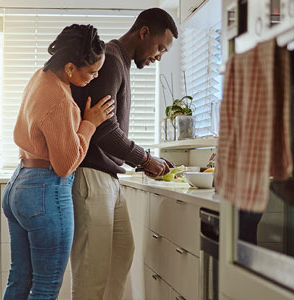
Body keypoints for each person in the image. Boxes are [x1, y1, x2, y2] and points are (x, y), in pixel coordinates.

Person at [69, 8, 179, 300]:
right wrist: (145, 159)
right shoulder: (111, 61)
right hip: (92, 176)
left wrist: (144, 158)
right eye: (160, 48)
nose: (158, 57)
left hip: (107, 178)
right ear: (144, 32)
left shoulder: (120, 62)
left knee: (121, 254)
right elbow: (104, 130)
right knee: (92, 272)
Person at [2, 24, 115, 300]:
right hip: (45, 191)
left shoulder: (40, 77)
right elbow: (65, 165)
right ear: (69, 68)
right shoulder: (61, 101)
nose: (96, 76)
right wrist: (89, 124)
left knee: (19, 279)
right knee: (46, 286)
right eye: (91, 71)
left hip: (19, 185)